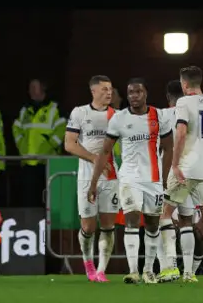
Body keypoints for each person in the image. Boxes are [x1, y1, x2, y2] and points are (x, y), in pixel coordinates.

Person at [90, 78, 172, 284]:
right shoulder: (118, 119)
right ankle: (133, 270)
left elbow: (169, 148)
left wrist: (165, 177)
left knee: (153, 224)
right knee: (132, 220)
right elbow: (105, 151)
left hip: (153, 179)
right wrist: (93, 183)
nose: (134, 96)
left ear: (146, 93)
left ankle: (148, 270)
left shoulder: (159, 116)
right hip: (129, 178)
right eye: (130, 93)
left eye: (138, 92)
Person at [165, 65, 203, 284]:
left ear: (184, 84)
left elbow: (181, 134)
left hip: (187, 167)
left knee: (166, 214)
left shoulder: (183, 102)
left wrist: (176, 164)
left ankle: (175, 269)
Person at [65, 75, 119, 282]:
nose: (109, 92)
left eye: (111, 89)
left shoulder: (117, 115)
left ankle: (101, 270)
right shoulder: (80, 112)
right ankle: (88, 263)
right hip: (87, 177)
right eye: (104, 89)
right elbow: (69, 144)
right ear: (93, 91)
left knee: (108, 225)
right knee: (88, 227)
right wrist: (94, 158)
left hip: (111, 176)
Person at [158, 79, 199, 282]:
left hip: (170, 174)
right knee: (186, 221)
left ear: (168, 97)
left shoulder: (162, 116)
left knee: (161, 218)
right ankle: (189, 272)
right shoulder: (194, 116)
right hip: (192, 172)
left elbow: (160, 148)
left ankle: (170, 266)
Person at [13, 78, 66, 207]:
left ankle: (48, 227)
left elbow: (61, 130)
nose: (30, 91)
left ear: (43, 89)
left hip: (48, 161)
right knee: (30, 199)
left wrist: (47, 148)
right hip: (28, 161)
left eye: (34, 87)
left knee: (49, 199)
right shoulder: (25, 110)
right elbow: (16, 128)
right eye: (29, 88)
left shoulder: (55, 108)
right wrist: (22, 147)